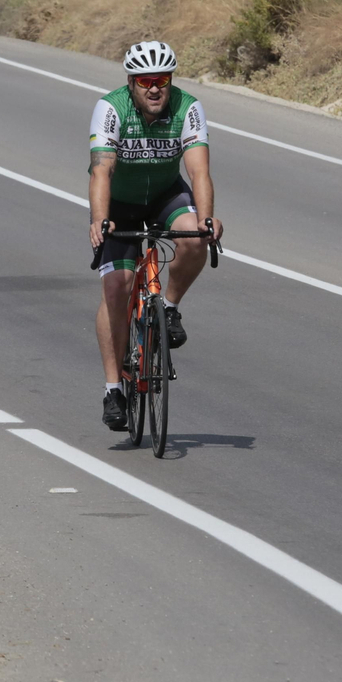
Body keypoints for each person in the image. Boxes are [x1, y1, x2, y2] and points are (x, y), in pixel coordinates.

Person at [88, 40, 223, 431]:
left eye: (161, 79)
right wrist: (100, 219)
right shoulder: (111, 109)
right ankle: (114, 389)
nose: (154, 88)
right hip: (120, 202)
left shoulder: (188, 107)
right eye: (145, 80)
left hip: (165, 194)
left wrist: (208, 218)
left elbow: (199, 171)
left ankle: (168, 306)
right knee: (118, 284)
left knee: (195, 238)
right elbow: (101, 171)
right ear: (131, 83)